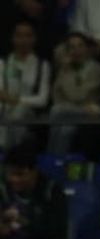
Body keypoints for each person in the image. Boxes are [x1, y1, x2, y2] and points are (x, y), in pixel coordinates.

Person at [0, 142, 67, 239]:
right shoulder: (3, 190)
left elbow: (57, 233)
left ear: (34, 172)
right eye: (9, 174)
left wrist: (25, 223)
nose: (13, 179)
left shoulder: (51, 192)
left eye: (19, 174)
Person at [45, 32, 100, 156]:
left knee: (56, 110)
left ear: (87, 48)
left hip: (91, 113)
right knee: (66, 129)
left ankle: (49, 158)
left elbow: (79, 96)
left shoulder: (95, 69)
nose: (76, 50)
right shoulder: (64, 67)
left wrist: (66, 73)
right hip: (70, 113)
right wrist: (65, 70)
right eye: (72, 47)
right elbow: (56, 95)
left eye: (80, 46)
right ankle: (55, 161)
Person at [0, 19, 52, 150]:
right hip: (4, 109)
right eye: (19, 36)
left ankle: (7, 150)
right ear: (13, 38)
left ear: (34, 39)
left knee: (19, 110)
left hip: (29, 113)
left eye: (28, 36)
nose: (23, 40)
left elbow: (42, 100)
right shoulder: (3, 63)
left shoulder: (42, 65)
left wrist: (17, 100)